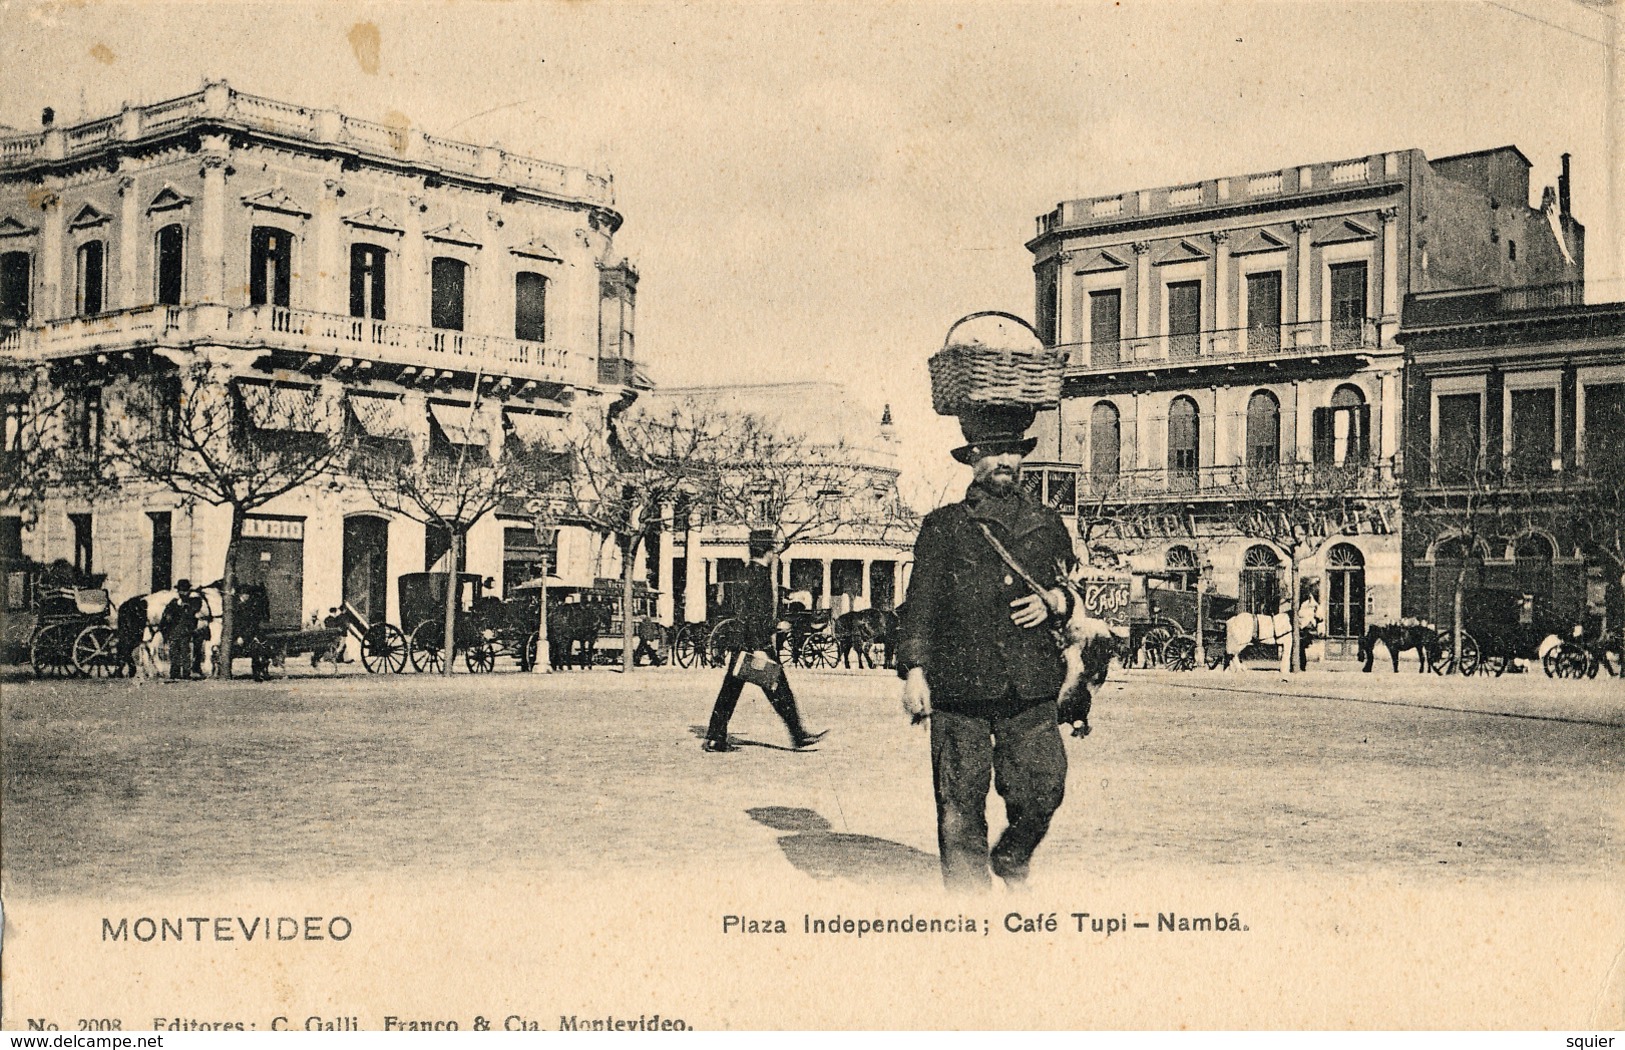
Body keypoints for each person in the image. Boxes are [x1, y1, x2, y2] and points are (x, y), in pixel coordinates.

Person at [896, 402, 1078, 892]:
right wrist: (914, 669)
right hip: (960, 686)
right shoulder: (943, 526)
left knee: (1044, 789)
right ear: (972, 458)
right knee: (959, 805)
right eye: (992, 451)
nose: (1004, 461)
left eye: (1012, 451)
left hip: (1030, 684)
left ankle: (1014, 855)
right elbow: (920, 605)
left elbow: (1070, 587)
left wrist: (1057, 602)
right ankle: (968, 911)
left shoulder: (1047, 523)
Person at [702, 529, 827, 753]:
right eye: (772, 549)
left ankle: (715, 737)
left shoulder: (746, 572)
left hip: (743, 642)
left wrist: (773, 627)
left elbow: (746, 612)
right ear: (767, 551)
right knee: (780, 688)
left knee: (730, 691)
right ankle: (798, 735)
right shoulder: (759, 576)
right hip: (756, 644)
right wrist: (759, 647)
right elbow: (753, 615)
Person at [158, 580, 199, 681]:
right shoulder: (173, 602)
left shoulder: (193, 602)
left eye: (185, 591)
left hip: (185, 631)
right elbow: (166, 615)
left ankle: (186, 673)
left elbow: (192, 614)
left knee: (185, 652)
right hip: (173, 631)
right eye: (181, 591)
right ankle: (174, 673)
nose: (183, 593)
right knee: (174, 653)